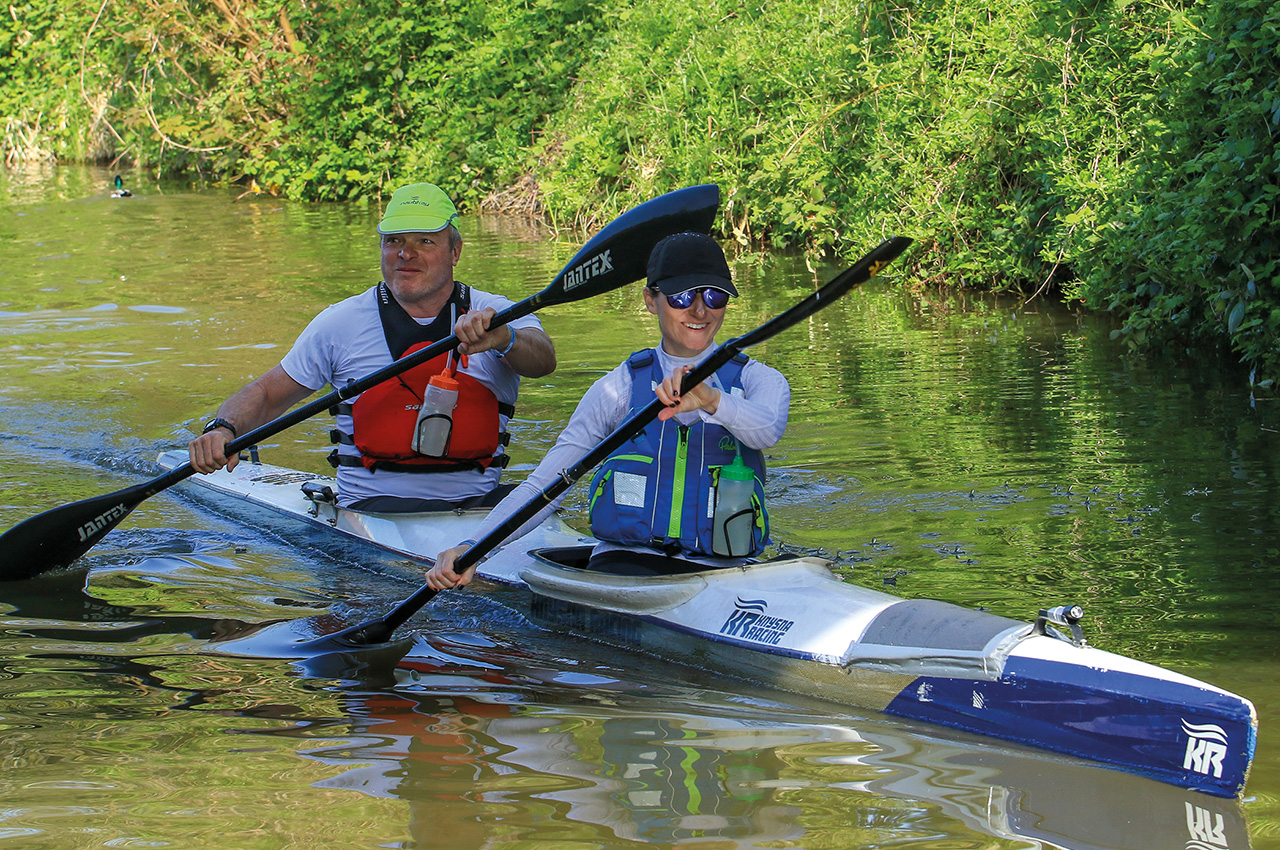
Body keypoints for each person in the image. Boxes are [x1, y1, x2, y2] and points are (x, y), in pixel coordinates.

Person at [427, 231, 790, 589]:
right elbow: (546, 485)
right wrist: (474, 547)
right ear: (651, 300)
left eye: (714, 295)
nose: (699, 310)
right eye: (681, 296)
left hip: (725, 569)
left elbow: (768, 430)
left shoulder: (758, 380)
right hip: (624, 562)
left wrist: (711, 400)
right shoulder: (618, 388)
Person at [188, 182, 557, 512]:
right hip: (368, 514)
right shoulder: (340, 323)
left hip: (481, 513)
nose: (406, 253)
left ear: (455, 251)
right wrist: (224, 429)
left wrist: (504, 339)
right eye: (394, 241)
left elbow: (544, 359)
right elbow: (267, 394)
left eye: (424, 241)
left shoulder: (496, 314)